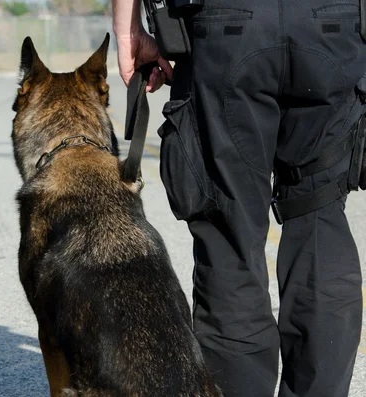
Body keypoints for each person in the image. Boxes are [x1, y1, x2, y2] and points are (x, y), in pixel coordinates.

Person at [111, 1, 366, 396]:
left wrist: (130, 32)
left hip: (226, 24)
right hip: (331, 21)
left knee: (228, 234)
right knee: (321, 217)